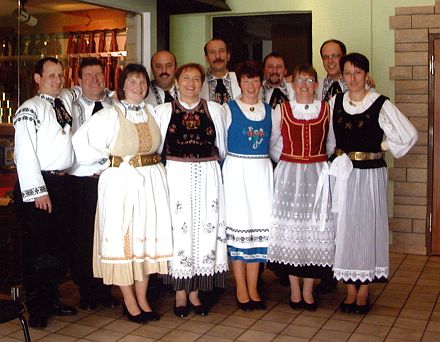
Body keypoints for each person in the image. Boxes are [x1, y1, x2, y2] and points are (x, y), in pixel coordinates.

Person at [72, 64, 173, 323]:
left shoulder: (153, 112)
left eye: (142, 83)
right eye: (132, 82)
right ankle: (129, 301)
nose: (138, 87)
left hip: (150, 182)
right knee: (124, 242)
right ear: (122, 86)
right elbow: (80, 145)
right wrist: (105, 164)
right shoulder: (110, 115)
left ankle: (142, 299)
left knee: (145, 242)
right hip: (121, 184)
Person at [327, 53, 418, 314]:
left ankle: (364, 290)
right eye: (347, 72)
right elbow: (331, 141)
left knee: (366, 229)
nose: (352, 78)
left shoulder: (379, 103)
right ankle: (349, 290)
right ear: (342, 76)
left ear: (366, 74)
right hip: (345, 174)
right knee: (345, 229)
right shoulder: (336, 102)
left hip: (369, 175)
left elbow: (409, 134)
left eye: (357, 72)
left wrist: (383, 145)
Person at [154, 63, 228, 318]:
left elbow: (222, 147)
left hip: (207, 175)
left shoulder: (215, 110)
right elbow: (158, 148)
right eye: (186, 78)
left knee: (204, 230)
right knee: (180, 230)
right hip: (176, 176)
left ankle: (196, 292)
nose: (191, 83)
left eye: (197, 79)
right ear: (177, 81)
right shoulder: (163, 111)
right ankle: (180, 294)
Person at [13, 57, 77, 329]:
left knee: (58, 248)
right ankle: (37, 309)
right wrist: (38, 192)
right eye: (51, 75)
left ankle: (52, 299)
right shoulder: (29, 108)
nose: (57, 80)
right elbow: (24, 153)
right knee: (38, 252)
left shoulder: (64, 102)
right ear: (37, 79)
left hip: (62, 184)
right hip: (39, 187)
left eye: (60, 75)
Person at [267, 64, 335, 312]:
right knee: (291, 230)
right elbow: (274, 142)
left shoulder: (326, 109)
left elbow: (330, 144)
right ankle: (295, 289)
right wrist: (290, 160)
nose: (304, 85)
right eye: (299, 80)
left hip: (318, 175)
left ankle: (308, 289)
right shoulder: (282, 110)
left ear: (316, 84)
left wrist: (314, 161)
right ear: (291, 85)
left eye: (309, 80)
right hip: (289, 175)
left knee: (315, 230)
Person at [60, 58, 120, 311]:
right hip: (81, 183)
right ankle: (86, 290)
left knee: (107, 235)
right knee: (83, 238)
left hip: (109, 180)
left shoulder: (114, 103)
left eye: (98, 74)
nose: (94, 79)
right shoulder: (70, 102)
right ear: (79, 80)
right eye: (88, 76)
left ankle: (104, 289)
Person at [223, 61, 273, 311]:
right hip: (236, 173)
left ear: (261, 83)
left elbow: (275, 146)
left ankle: (254, 286)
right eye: (246, 80)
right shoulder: (228, 109)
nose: (251, 85)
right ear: (238, 83)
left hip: (261, 174)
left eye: (255, 80)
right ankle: (240, 287)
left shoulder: (271, 111)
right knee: (240, 228)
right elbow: (221, 144)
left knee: (258, 230)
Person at [200, 38, 241, 104]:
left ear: (228, 56)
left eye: (221, 51)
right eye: (212, 52)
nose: (218, 56)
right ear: (206, 58)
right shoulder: (198, 82)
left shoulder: (240, 79)